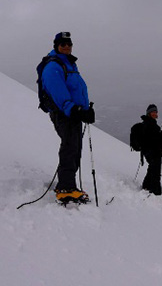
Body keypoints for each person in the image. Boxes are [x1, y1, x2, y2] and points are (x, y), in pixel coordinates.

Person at [41, 31, 95, 203]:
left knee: (75, 148)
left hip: (73, 114)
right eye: (63, 44)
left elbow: (76, 89)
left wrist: (85, 109)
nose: (66, 47)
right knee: (70, 147)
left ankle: (68, 184)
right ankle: (66, 187)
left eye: (69, 44)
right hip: (64, 114)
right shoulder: (53, 66)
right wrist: (75, 110)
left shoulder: (69, 65)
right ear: (56, 46)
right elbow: (59, 93)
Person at [140, 104, 162, 195]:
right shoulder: (149, 124)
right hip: (152, 151)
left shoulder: (149, 123)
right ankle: (155, 191)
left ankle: (146, 185)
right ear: (149, 113)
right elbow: (150, 138)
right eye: (153, 112)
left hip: (150, 151)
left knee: (152, 168)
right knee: (155, 170)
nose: (155, 113)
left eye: (156, 112)